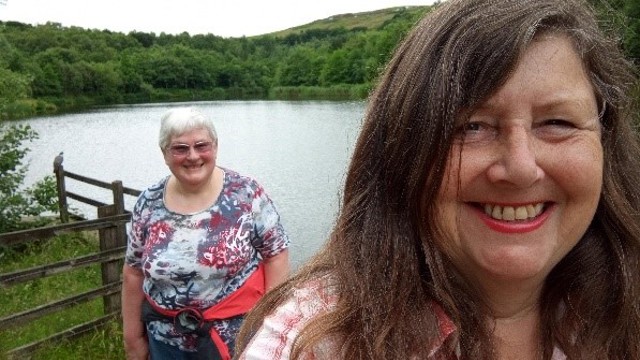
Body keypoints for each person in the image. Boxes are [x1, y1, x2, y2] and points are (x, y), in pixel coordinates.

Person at [234, 0, 640, 359]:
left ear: (606, 144)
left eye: (557, 122)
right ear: (401, 154)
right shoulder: (312, 342)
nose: (520, 168)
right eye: (472, 126)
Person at [121, 107, 290, 360]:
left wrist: (270, 328)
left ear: (216, 146)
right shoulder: (148, 202)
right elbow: (133, 273)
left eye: (202, 145)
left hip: (239, 343)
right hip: (165, 345)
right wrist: (132, 338)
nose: (193, 156)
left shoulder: (245, 193)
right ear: (164, 153)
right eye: (180, 148)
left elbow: (276, 255)